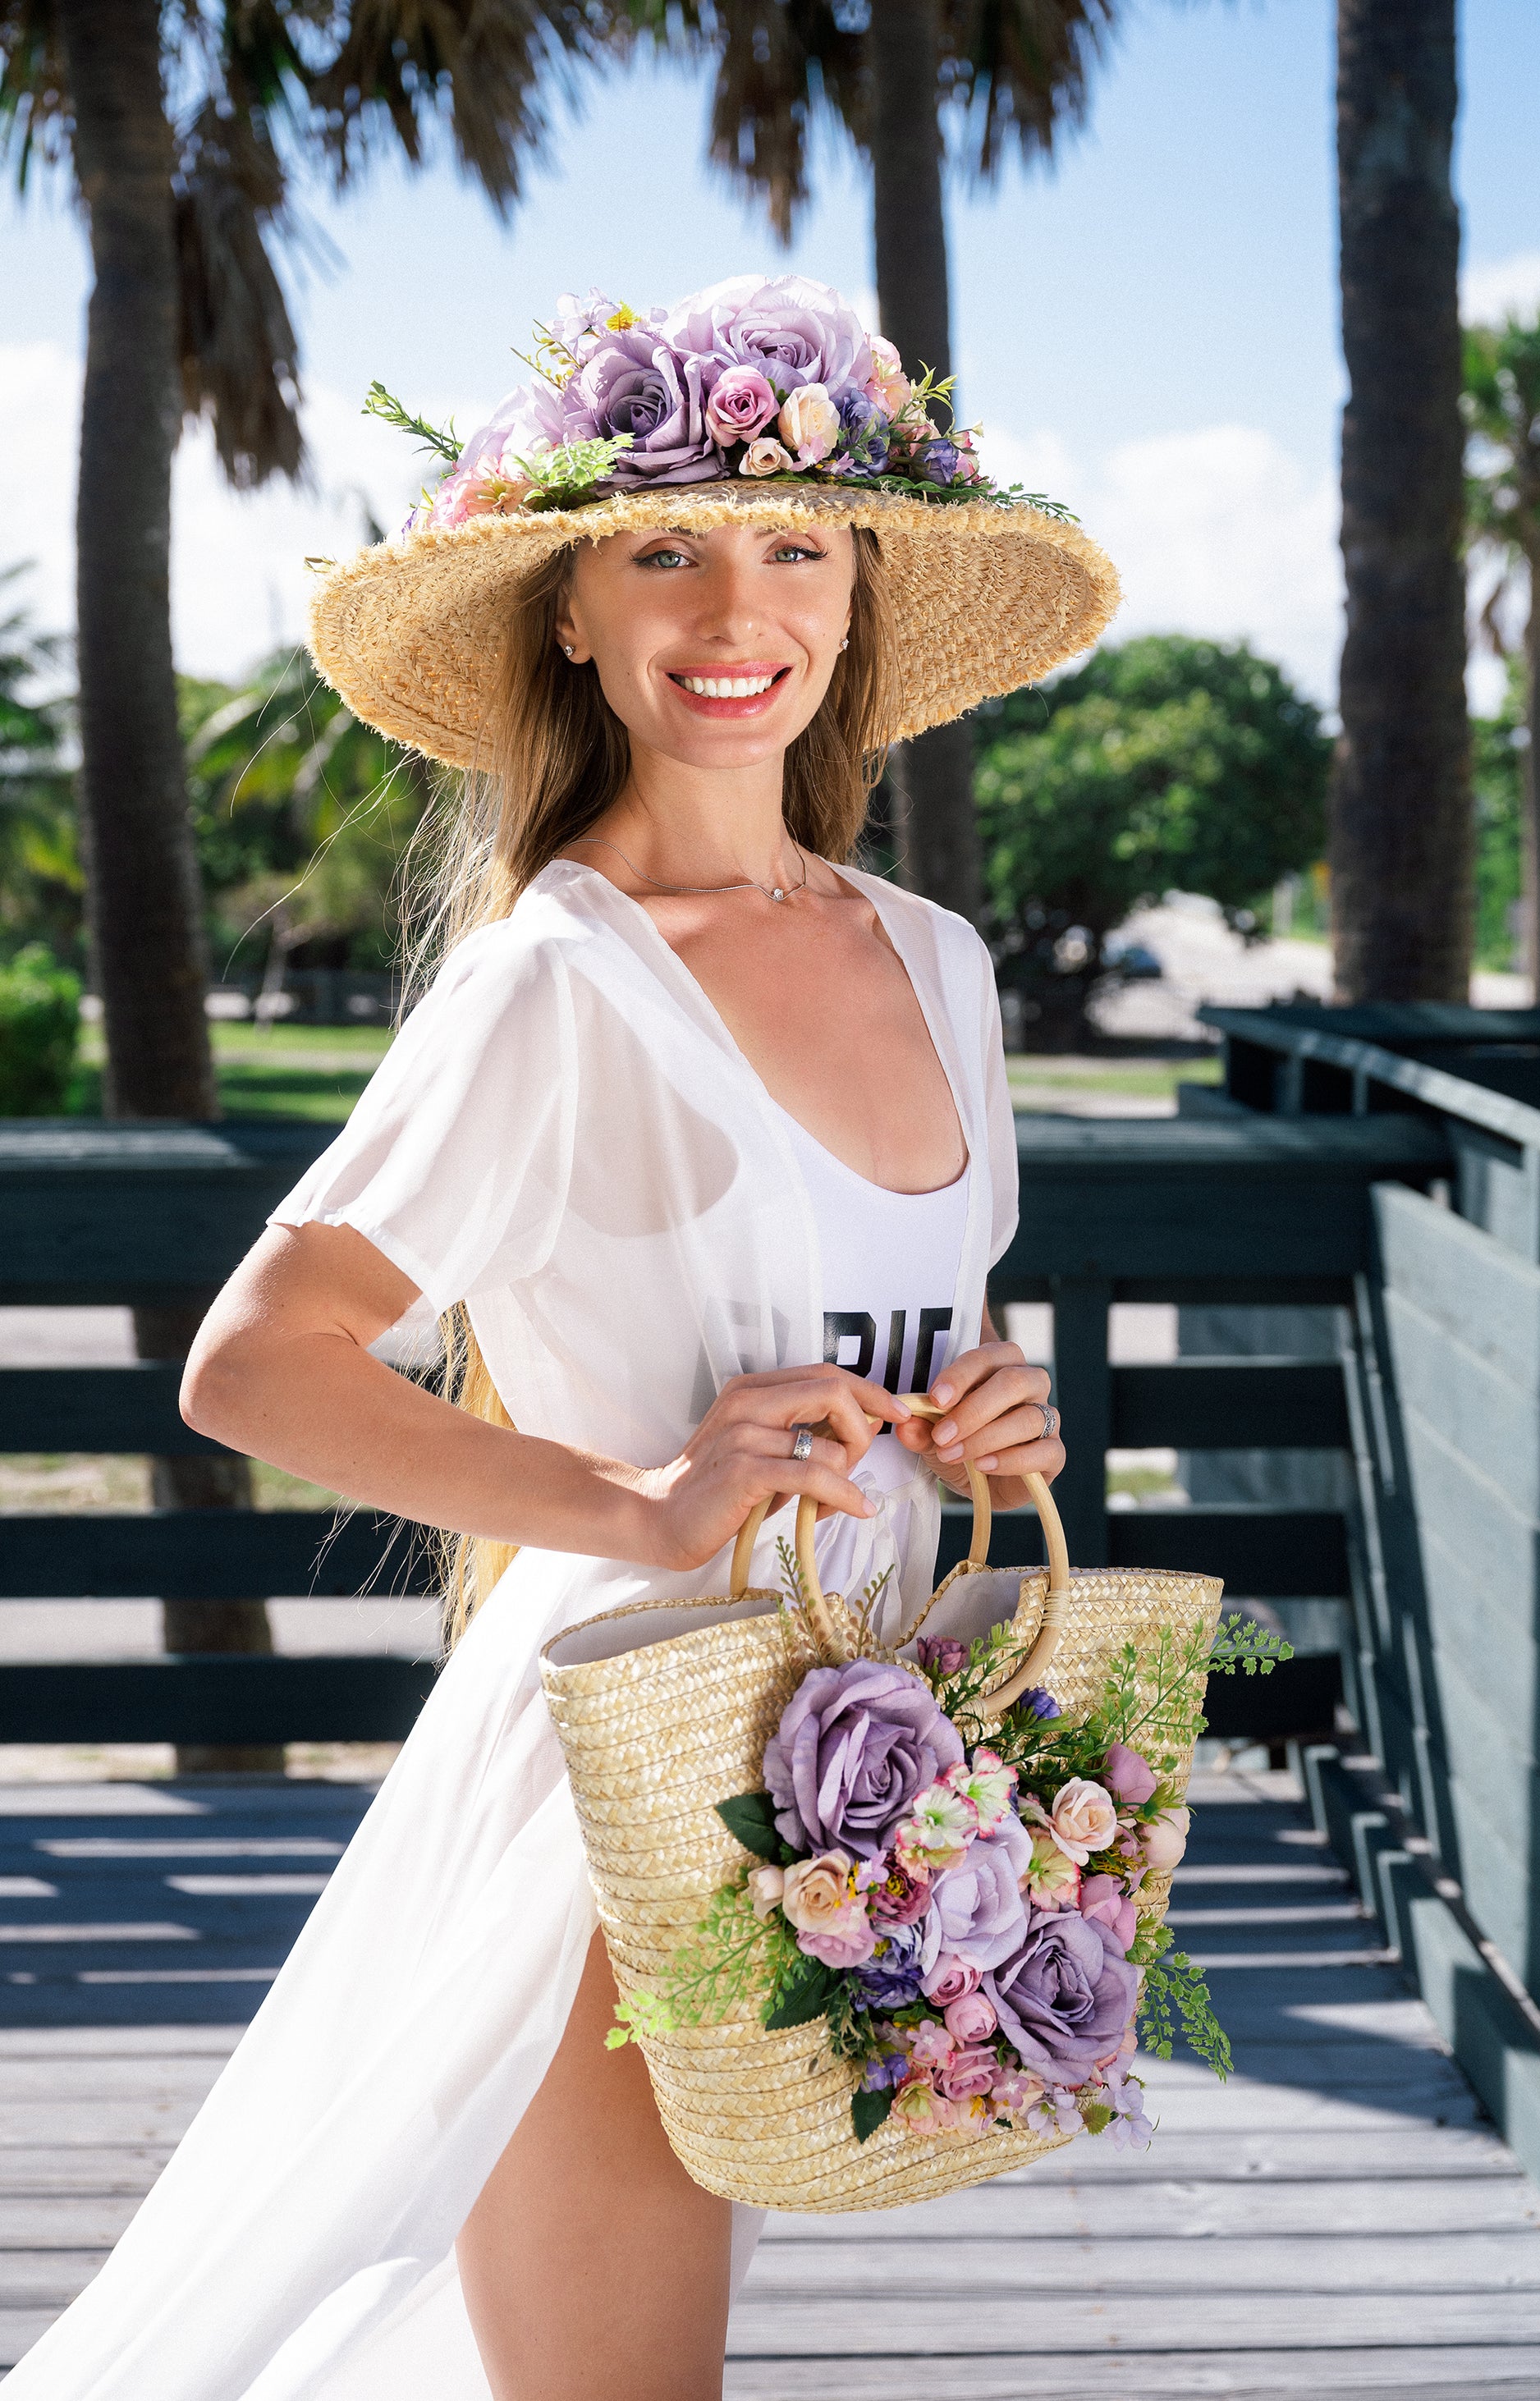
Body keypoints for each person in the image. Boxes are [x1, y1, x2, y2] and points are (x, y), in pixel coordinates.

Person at [9, 274, 1117, 2401]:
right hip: (630, 1765)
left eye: (793, 543)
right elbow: (256, 1363)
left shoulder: (939, 958)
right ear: (576, 621)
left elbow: (917, 1334)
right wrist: (632, 1491)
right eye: (663, 548)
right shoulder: (559, 983)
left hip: (863, 1751)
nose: (736, 604)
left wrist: (990, 1416)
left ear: (854, 595)